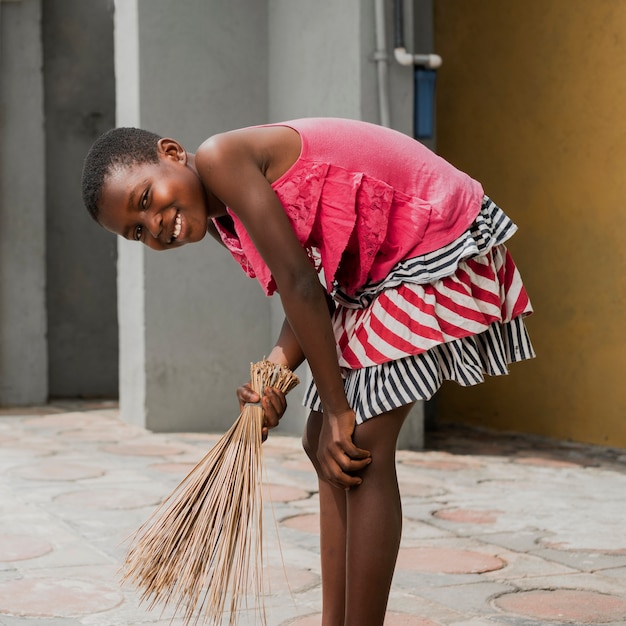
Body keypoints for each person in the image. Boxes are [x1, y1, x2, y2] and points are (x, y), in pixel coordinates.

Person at [81, 117, 534, 626]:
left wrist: (341, 406)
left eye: (145, 199)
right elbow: (310, 287)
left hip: (431, 236)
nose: (155, 224)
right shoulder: (219, 217)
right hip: (378, 271)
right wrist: (273, 372)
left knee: (357, 444)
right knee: (319, 441)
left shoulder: (219, 159)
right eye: (137, 231)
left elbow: (299, 284)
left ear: (172, 152)